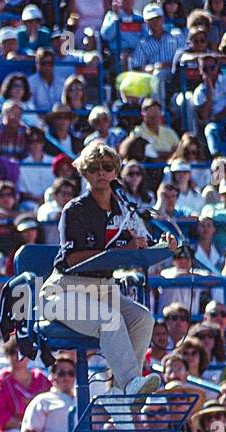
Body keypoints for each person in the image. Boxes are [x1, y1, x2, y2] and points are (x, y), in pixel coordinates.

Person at [41, 142, 175, 400]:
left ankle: (120, 391)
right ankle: (130, 385)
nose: (100, 172)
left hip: (102, 289)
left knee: (143, 318)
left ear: (116, 171)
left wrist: (162, 247)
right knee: (109, 319)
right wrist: (121, 250)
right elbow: (73, 258)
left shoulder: (124, 209)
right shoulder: (75, 209)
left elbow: (139, 245)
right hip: (63, 290)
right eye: (93, 168)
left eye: (107, 167)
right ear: (84, 172)